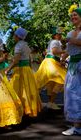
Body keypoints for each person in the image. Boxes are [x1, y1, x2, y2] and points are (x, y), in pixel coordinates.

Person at [5, 27, 42, 117]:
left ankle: (20, 110)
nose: (13, 36)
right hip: (27, 70)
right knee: (28, 89)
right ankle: (28, 109)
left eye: (14, 35)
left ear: (17, 36)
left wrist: (8, 69)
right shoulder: (26, 45)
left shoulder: (18, 45)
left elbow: (16, 60)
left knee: (18, 90)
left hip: (20, 70)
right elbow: (28, 59)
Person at [34, 27, 67, 110]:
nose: (60, 35)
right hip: (51, 62)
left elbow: (49, 52)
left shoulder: (53, 42)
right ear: (55, 35)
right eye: (58, 34)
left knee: (51, 83)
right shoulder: (55, 42)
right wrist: (66, 51)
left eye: (60, 34)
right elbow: (54, 52)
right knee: (62, 80)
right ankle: (51, 102)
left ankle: (50, 102)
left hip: (50, 61)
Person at [61, 5, 81, 136]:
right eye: (72, 15)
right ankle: (77, 126)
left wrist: (70, 40)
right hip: (73, 65)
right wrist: (63, 56)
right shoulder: (69, 33)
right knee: (72, 93)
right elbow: (69, 50)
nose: (73, 17)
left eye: (76, 15)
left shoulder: (71, 36)